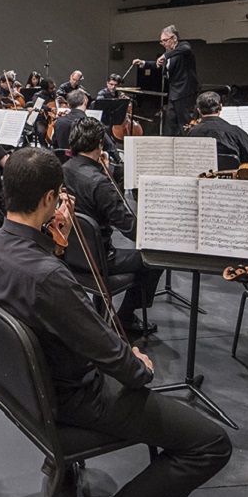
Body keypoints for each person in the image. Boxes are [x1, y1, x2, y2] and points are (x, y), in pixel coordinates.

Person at [0, 147, 231, 497]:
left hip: (22, 388)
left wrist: (58, 245)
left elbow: (41, 299)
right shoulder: (49, 278)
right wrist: (141, 367)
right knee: (212, 444)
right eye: (60, 197)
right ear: (50, 198)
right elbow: (112, 356)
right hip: (76, 397)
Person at [63, 117, 162, 335]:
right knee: (154, 257)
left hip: (68, 254)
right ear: (100, 144)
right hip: (100, 259)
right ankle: (125, 317)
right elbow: (130, 229)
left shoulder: (64, 168)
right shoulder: (99, 184)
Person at [135, 25, 198, 136]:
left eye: (165, 40)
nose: (163, 43)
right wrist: (143, 63)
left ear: (174, 38)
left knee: (184, 123)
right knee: (170, 124)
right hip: (173, 94)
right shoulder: (170, 54)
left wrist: (165, 55)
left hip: (184, 93)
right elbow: (158, 64)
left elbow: (186, 48)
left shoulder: (182, 47)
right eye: (161, 41)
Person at [185, 91, 248, 163]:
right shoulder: (236, 132)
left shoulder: (192, 132)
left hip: (202, 176)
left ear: (199, 110)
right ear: (221, 107)